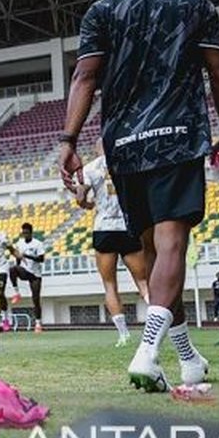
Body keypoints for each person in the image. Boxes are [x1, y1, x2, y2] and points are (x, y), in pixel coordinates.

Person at [59, 0, 219, 393]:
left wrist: (68, 141)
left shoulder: (101, 11)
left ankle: (188, 358)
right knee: (170, 247)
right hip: (178, 137)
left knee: (156, 254)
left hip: (125, 147)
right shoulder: (193, 3)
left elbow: (84, 79)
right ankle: (148, 349)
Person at [77, 140, 151, 347]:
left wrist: (87, 203)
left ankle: (123, 335)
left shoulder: (91, 168)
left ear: (97, 148)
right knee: (143, 281)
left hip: (104, 228)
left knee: (110, 285)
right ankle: (158, 325)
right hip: (128, 225)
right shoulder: (129, 160)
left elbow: (80, 196)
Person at [9, 222, 47, 332]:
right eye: (23, 233)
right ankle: (17, 292)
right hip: (25, 271)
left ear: (31, 233)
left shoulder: (37, 244)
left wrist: (27, 256)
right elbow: (17, 257)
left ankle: (38, 323)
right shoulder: (20, 243)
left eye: (27, 233)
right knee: (13, 269)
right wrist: (19, 262)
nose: (25, 235)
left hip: (35, 274)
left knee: (36, 299)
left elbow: (41, 259)